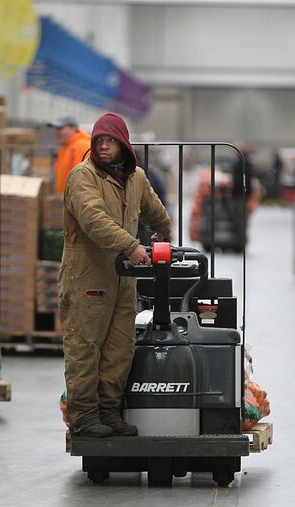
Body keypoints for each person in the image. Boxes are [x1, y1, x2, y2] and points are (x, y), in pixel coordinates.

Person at [61, 112, 171, 438]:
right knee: (85, 348)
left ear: (123, 144)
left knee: (119, 350)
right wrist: (130, 245)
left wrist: (163, 230)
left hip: (123, 280)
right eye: (99, 141)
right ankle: (83, 418)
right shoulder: (83, 177)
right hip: (87, 279)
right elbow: (94, 220)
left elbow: (154, 208)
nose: (104, 147)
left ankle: (109, 414)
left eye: (110, 141)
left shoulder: (135, 177)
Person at [49, 115, 91, 195]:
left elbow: (81, 180)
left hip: (74, 202)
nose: (57, 132)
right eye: (56, 129)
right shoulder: (67, 147)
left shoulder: (81, 146)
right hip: (66, 201)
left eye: (60, 128)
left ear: (73, 128)